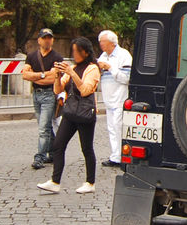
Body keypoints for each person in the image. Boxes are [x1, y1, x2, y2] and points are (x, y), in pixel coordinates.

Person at [37, 37, 101, 194]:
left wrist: (72, 74)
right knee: (58, 145)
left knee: (86, 148)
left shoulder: (92, 69)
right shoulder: (72, 67)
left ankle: (90, 182)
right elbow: (57, 91)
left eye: (77, 51)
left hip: (85, 114)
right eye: (73, 51)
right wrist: (58, 76)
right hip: (71, 112)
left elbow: (86, 90)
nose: (74, 54)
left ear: (85, 52)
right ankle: (55, 181)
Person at [21, 28, 63, 169]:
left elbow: (53, 78)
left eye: (49, 37)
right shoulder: (32, 56)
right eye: (44, 37)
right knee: (44, 126)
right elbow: (25, 75)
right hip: (36, 94)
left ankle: (39, 157)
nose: (47, 40)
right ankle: (53, 153)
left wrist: (36, 75)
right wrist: (44, 75)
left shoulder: (57, 57)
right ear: (39, 40)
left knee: (43, 128)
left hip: (49, 95)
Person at [97, 30, 132, 168]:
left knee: (118, 127)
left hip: (119, 98)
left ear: (111, 43)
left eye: (103, 42)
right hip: (108, 99)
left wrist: (110, 68)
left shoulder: (123, 55)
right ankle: (115, 155)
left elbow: (126, 78)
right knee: (111, 128)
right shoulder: (103, 56)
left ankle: (121, 156)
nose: (100, 44)